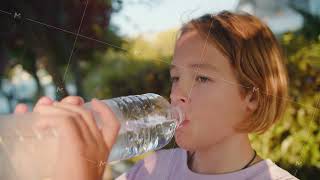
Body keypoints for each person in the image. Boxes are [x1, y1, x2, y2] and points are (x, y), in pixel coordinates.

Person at [15, 11, 299, 180]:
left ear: (252, 97)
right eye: (176, 77)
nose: (178, 94)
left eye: (201, 77)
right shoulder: (154, 168)